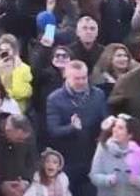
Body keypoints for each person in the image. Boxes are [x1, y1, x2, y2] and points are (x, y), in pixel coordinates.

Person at [46, 60, 108, 196]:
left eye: (84, 78)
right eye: (76, 78)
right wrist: (71, 127)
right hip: (68, 160)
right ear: (66, 77)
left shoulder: (98, 95)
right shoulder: (55, 99)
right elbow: (53, 130)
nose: (81, 82)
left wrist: (106, 128)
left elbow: (104, 120)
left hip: (93, 158)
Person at [89, 115, 140, 196]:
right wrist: (107, 180)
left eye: (120, 128)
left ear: (130, 135)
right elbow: (94, 175)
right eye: (114, 126)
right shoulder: (103, 147)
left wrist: (138, 181)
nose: (114, 130)